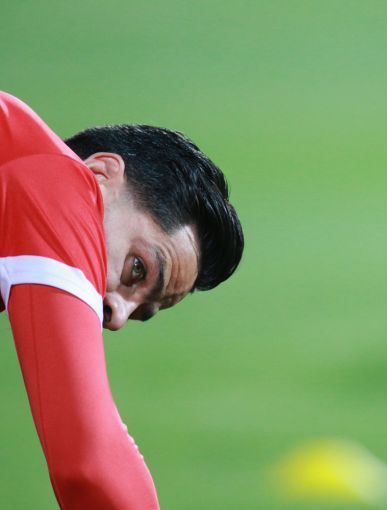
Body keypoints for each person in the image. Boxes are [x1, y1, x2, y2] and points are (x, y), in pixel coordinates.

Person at [0, 91, 244, 507]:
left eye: (139, 312)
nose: (116, 315)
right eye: (137, 268)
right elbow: (89, 465)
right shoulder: (55, 186)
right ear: (100, 174)